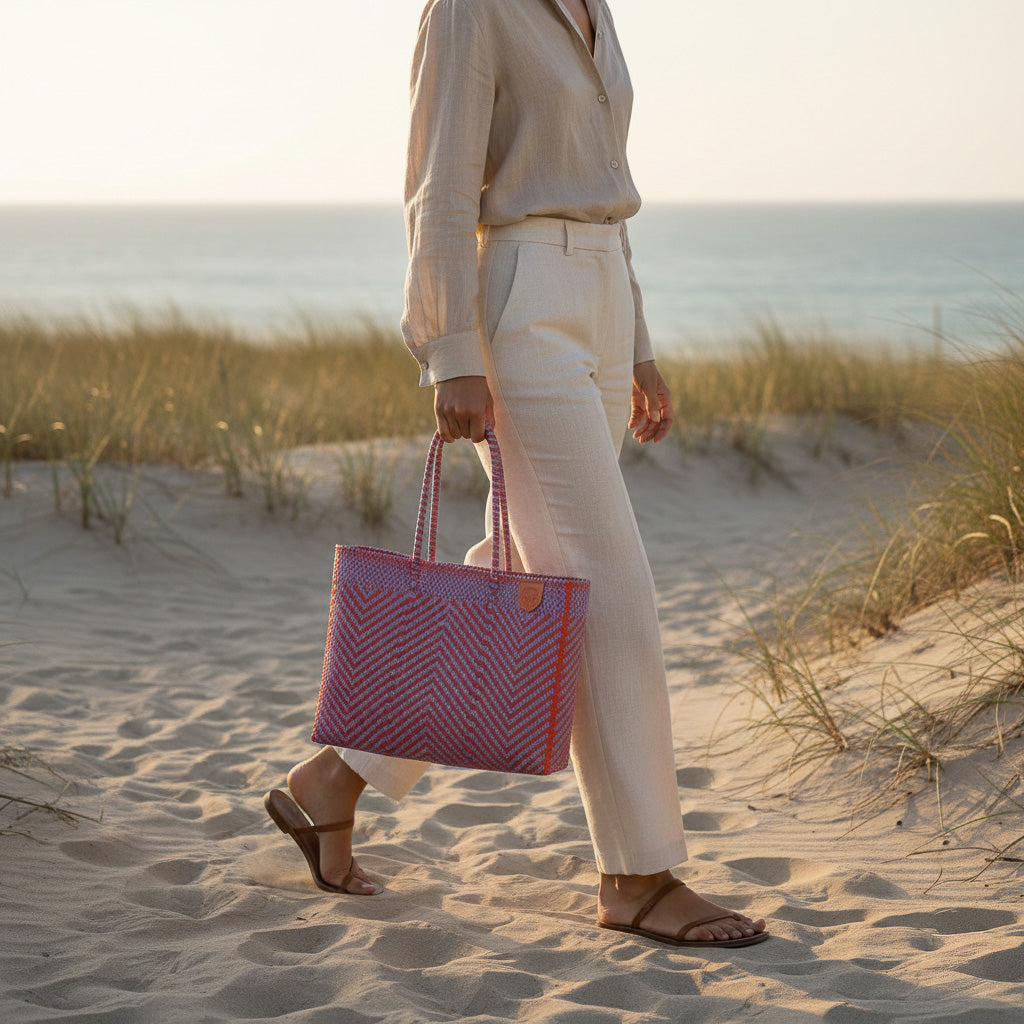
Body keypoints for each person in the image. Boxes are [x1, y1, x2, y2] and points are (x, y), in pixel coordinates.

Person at [265, 0, 768, 949]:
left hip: (603, 296)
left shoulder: (595, 9)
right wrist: (453, 349)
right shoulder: (470, 6)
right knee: (608, 591)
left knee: (519, 571)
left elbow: (604, 182)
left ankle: (331, 782)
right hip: (522, 299)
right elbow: (439, 184)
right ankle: (638, 874)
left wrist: (642, 345)